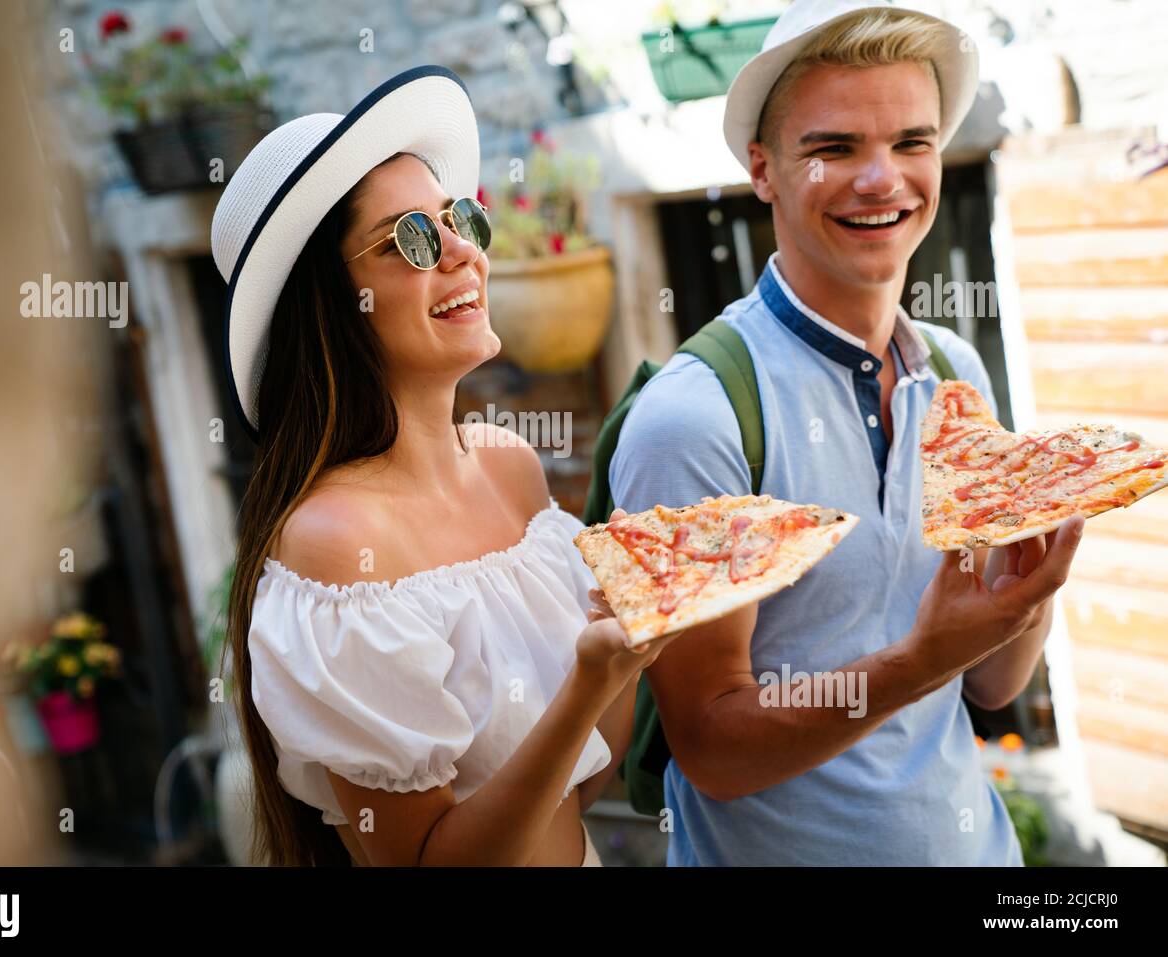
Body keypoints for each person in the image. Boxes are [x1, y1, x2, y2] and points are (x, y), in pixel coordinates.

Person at [609, 0, 1083, 865]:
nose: (882, 179)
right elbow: (712, 749)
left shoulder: (957, 378)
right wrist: (916, 658)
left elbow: (991, 683)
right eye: (834, 148)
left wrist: (1032, 586)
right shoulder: (698, 415)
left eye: (912, 143)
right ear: (763, 169)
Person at [212, 66, 679, 867]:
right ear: (330, 302)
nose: (464, 251)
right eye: (412, 238)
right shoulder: (333, 542)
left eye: (459, 219)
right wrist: (585, 685)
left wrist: (629, 646)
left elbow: (574, 790)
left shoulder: (511, 469)